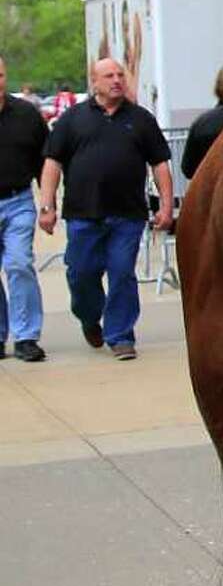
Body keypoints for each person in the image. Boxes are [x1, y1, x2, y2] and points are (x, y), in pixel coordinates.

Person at [37, 58, 175, 361]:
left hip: (127, 215)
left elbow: (160, 164)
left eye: (119, 75)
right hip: (83, 214)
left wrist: (166, 205)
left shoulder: (140, 119)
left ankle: (121, 335)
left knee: (122, 273)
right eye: (108, 76)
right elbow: (52, 164)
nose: (116, 80)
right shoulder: (72, 119)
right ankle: (89, 316)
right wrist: (47, 206)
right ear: (94, 82)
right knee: (81, 274)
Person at [0, 55, 49, 363]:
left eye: (0, 75)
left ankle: (27, 336)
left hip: (19, 201)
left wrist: (47, 204)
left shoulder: (27, 115)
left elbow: (47, 161)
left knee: (19, 263)